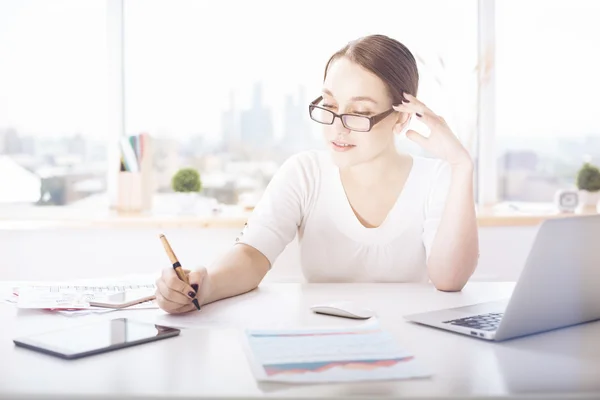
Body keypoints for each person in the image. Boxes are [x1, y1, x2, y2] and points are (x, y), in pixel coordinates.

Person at [155, 34, 479, 314]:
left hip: (414, 348)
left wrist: (462, 166)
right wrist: (204, 286)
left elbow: (449, 280)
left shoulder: (436, 178)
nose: (337, 127)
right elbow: (253, 254)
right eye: (329, 105)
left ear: (401, 118)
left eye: (360, 112)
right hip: (324, 340)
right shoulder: (304, 173)